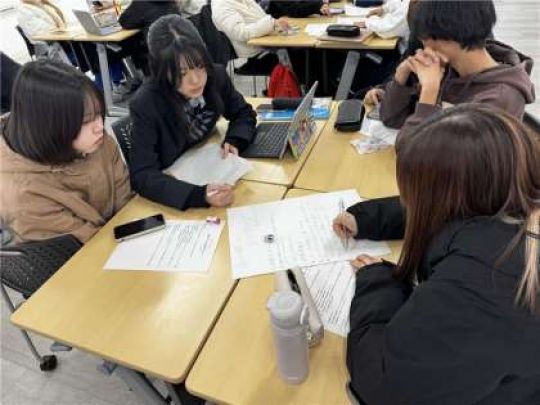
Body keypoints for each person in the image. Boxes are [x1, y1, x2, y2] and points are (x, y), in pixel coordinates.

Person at [332, 104, 540, 404]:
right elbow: (442, 203)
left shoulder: (487, 279)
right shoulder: (514, 202)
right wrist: (368, 217)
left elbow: (384, 384)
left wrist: (377, 283)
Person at [129, 15, 257, 210]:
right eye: (181, 74)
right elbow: (142, 175)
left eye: (199, 66)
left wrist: (235, 139)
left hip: (211, 164)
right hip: (175, 189)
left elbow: (243, 112)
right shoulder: (147, 104)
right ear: (161, 71)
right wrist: (199, 196)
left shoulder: (216, 75)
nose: (196, 80)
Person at [0, 60, 132, 243]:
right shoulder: (23, 193)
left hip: (120, 242)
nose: (100, 127)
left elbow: (125, 199)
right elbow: (81, 247)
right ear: (48, 128)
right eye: (86, 121)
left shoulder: (93, 139)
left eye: (98, 114)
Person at [364, 0, 535, 141]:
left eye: (423, 38)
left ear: (444, 40)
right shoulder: (449, 69)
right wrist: (401, 76)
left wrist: (429, 93)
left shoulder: (498, 99)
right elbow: (391, 119)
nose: (422, 46)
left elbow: (416, 157)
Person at [212, 0, 290, 74]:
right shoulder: (221, 5)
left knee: (296, 51)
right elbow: (241, 32)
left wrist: (275, 23)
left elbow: (261, 17)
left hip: (266, 43)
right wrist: (272, 23)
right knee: (296, 56)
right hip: (256, 53)